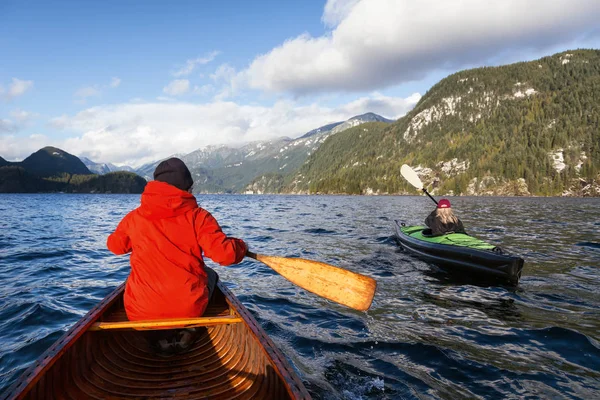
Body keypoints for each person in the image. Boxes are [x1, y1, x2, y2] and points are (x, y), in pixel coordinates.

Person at [107, 157, 247, 354]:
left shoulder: (134, 217)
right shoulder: (199, 216)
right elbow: (225, 255)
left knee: (137, 281)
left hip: (140, 313)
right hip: (188, 309)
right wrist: (241, 245)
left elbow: (115, 246)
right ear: (186, 188)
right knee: (211, 275)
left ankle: (156, 337)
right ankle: (189, 328)